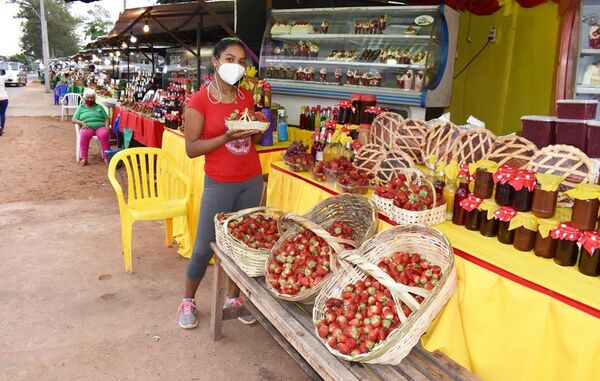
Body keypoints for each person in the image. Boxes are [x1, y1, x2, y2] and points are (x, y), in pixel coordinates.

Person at [178, 37, 263, 329]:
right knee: (204, 247)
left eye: (241, 62)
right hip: (219, 182)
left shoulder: (246, 97)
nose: (235, 67)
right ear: (215, 61)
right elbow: (191, 148)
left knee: (241, 243)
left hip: (250, 179)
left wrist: (259, 125)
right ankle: (188, 300)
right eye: (229, 59)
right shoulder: (198, 101)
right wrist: (226, 137)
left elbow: (255, 139)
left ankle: (233, 299)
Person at [72, 89, 111, 166]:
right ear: (84, 98)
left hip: (100, 126)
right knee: (84, 134)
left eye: (92, 98)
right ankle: (84, 158)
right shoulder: (81, 107)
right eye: (88, 98)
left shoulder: (99, 107)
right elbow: (73, 119)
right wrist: (82, 122)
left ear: (95, 99)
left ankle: (106, 157)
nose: (90, 100)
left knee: (104, 134)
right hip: (87, 127)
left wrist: (106, 126)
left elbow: (106, 118)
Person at [0, 69, 8, 136]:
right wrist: (10, 66)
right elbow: (10, 74)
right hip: (4, 98)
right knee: (2, 113)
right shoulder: (2, 78)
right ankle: (1, 128)